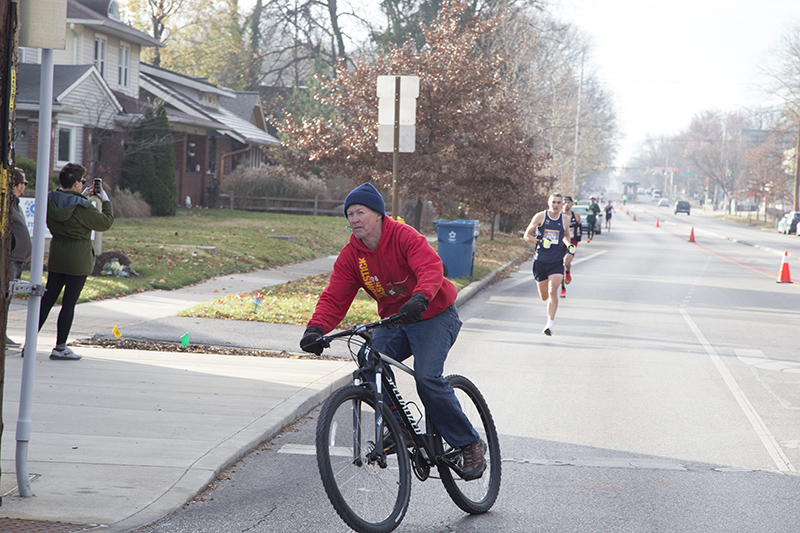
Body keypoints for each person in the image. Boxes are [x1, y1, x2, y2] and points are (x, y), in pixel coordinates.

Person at [299, 182, 487, 480]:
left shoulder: (403, 236)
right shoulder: (352, 255)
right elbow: (335, 295)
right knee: (368, 360)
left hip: (434, 313)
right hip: (395, 320)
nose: (354, 219)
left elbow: (430, 268)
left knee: (427, 378)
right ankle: (399, 425)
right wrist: (316, 328)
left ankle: (469, 442)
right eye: (349, 214)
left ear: (378, 215)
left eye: (360, 212)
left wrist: (421, 296)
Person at [37, 163, 114, 360]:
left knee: (47, 301)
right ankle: (60, 347)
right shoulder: (83, 207)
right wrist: (103, 198)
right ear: (77, 183)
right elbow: (105, 222)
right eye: (82, 181)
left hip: (57, 257)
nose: (83, 184)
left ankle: (30, 343)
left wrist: (82, 196)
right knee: (68, 303)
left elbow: (66, 208)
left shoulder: (51, 199)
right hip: (77, 260)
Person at [523, 193, 574, 336]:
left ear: (562, 204)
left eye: (559, 202)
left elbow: (565, 235)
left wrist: (569, 245)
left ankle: (549, 324)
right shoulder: (540, 216)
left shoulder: (565, 219)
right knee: (544, 296)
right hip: (540, 260)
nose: (556, 205)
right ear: (548, 203)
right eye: (554, 202)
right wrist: (540, 242)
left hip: (557, 260)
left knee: (553, 291)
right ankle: (549, 319)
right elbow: (527, 235)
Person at [5, 168, 32, 348]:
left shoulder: (15, 203)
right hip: (12, 257)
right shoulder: (7, 203)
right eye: (24, 183)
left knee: (9, 297)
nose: (24, 187)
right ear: (17, 185)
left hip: (18, 258)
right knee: (5, 296)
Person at [560, 195, 581, 299]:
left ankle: (568, 271)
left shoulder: (576, 215)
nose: (566, 204)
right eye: (564, 202)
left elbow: (580, 226)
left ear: (572, 204)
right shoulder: (559, 216)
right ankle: (562, 287)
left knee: (566, 262)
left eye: (568, 202)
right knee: (559, 267)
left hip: (572, 242)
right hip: (560, 243)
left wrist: (579, 235)